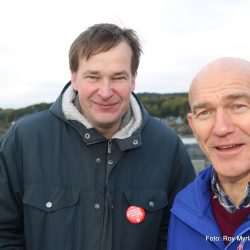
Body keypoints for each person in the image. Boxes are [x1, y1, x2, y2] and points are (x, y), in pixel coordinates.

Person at [0, 23, 195, 250]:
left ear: (133, 80)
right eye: (93, 76)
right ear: (74, 78)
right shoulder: (25, 140)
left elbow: (179, 237)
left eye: (118, 77)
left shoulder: (167, 146)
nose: (105, 92)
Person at [168, 57, 250, 249]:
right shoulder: (182, 208)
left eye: (238, 106)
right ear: (192, 125)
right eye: (205, 112)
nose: (221, 128)